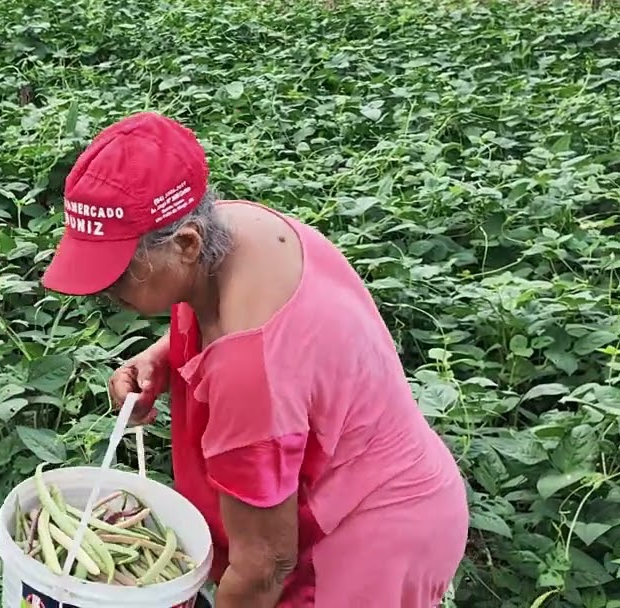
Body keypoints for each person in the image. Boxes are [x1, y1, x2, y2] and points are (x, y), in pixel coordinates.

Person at [39, 112, 469, 607]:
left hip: (361, 542)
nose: (105, 289)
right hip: (376, 489)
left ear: (187, 243)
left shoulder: (250, 371)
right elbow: (291, 341)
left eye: (118, 272)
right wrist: (166, 355)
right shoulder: (240, 228)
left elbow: (265, 566)